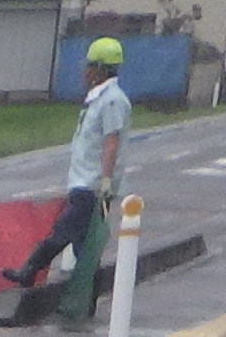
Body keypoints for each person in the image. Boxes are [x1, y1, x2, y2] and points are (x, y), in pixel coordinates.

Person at [7, 38, 133, 295]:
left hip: (92, 185)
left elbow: (111, 143)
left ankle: (30, 270)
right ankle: (85, 296)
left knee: (64, 231)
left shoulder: (112, 101)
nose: (85, 71)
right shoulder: (98, 98)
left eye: (89, 66)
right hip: (82, 180)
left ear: (100, 70)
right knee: (83, 245)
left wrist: (106, 181)